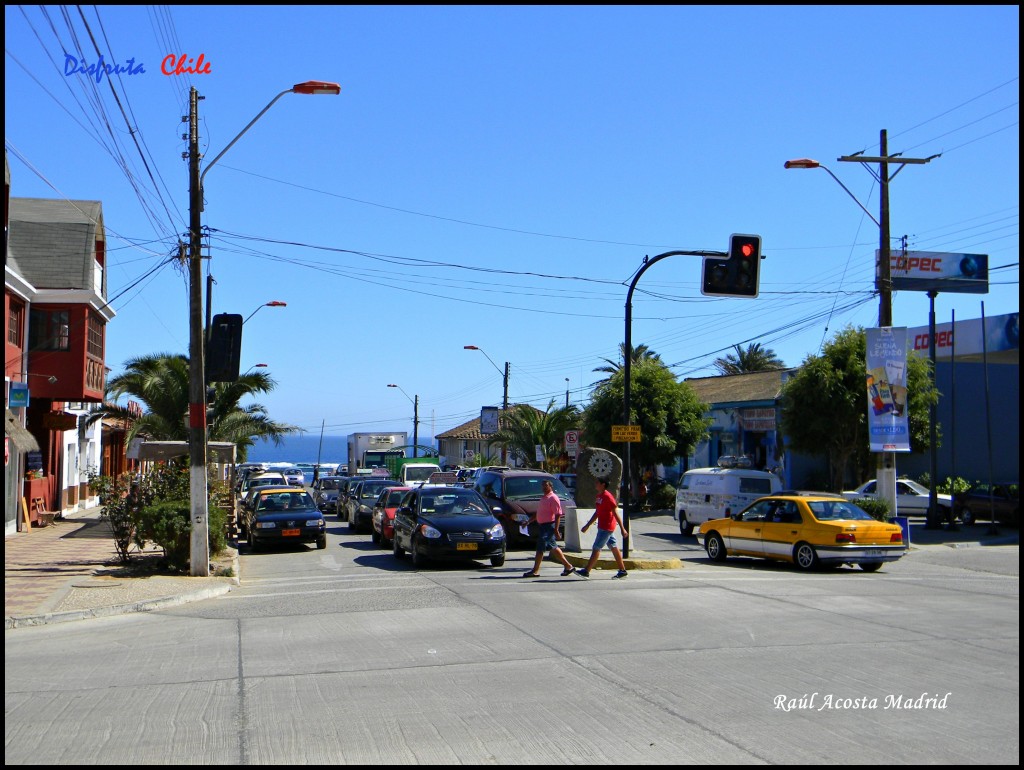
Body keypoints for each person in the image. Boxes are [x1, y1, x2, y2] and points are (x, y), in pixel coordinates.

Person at [521, 479, 578, 578]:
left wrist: (556, 529)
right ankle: (568, 566)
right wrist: (528, 522)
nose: (544, 488)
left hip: (548, 526)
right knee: (554, 547)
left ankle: (535, 570)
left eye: (546, 486)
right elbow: (539, 513)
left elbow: (558, 515)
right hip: (542, 526)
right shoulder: (544, 498)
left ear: (551, 486)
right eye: (543, 486)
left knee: (540, 548)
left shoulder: (553, 498)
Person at [577, 478, 629, 579]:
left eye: (597, 483)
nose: (595, 484)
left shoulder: (608, 497)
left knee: (596, 547)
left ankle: (587, 571)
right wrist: (588, 525)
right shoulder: (599, 496)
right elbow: (597, 512)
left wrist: (623, 528)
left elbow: (615, 513)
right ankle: (622, 570)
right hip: (602, 526)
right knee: (613, 546)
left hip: (607, 527)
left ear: (603, 484)